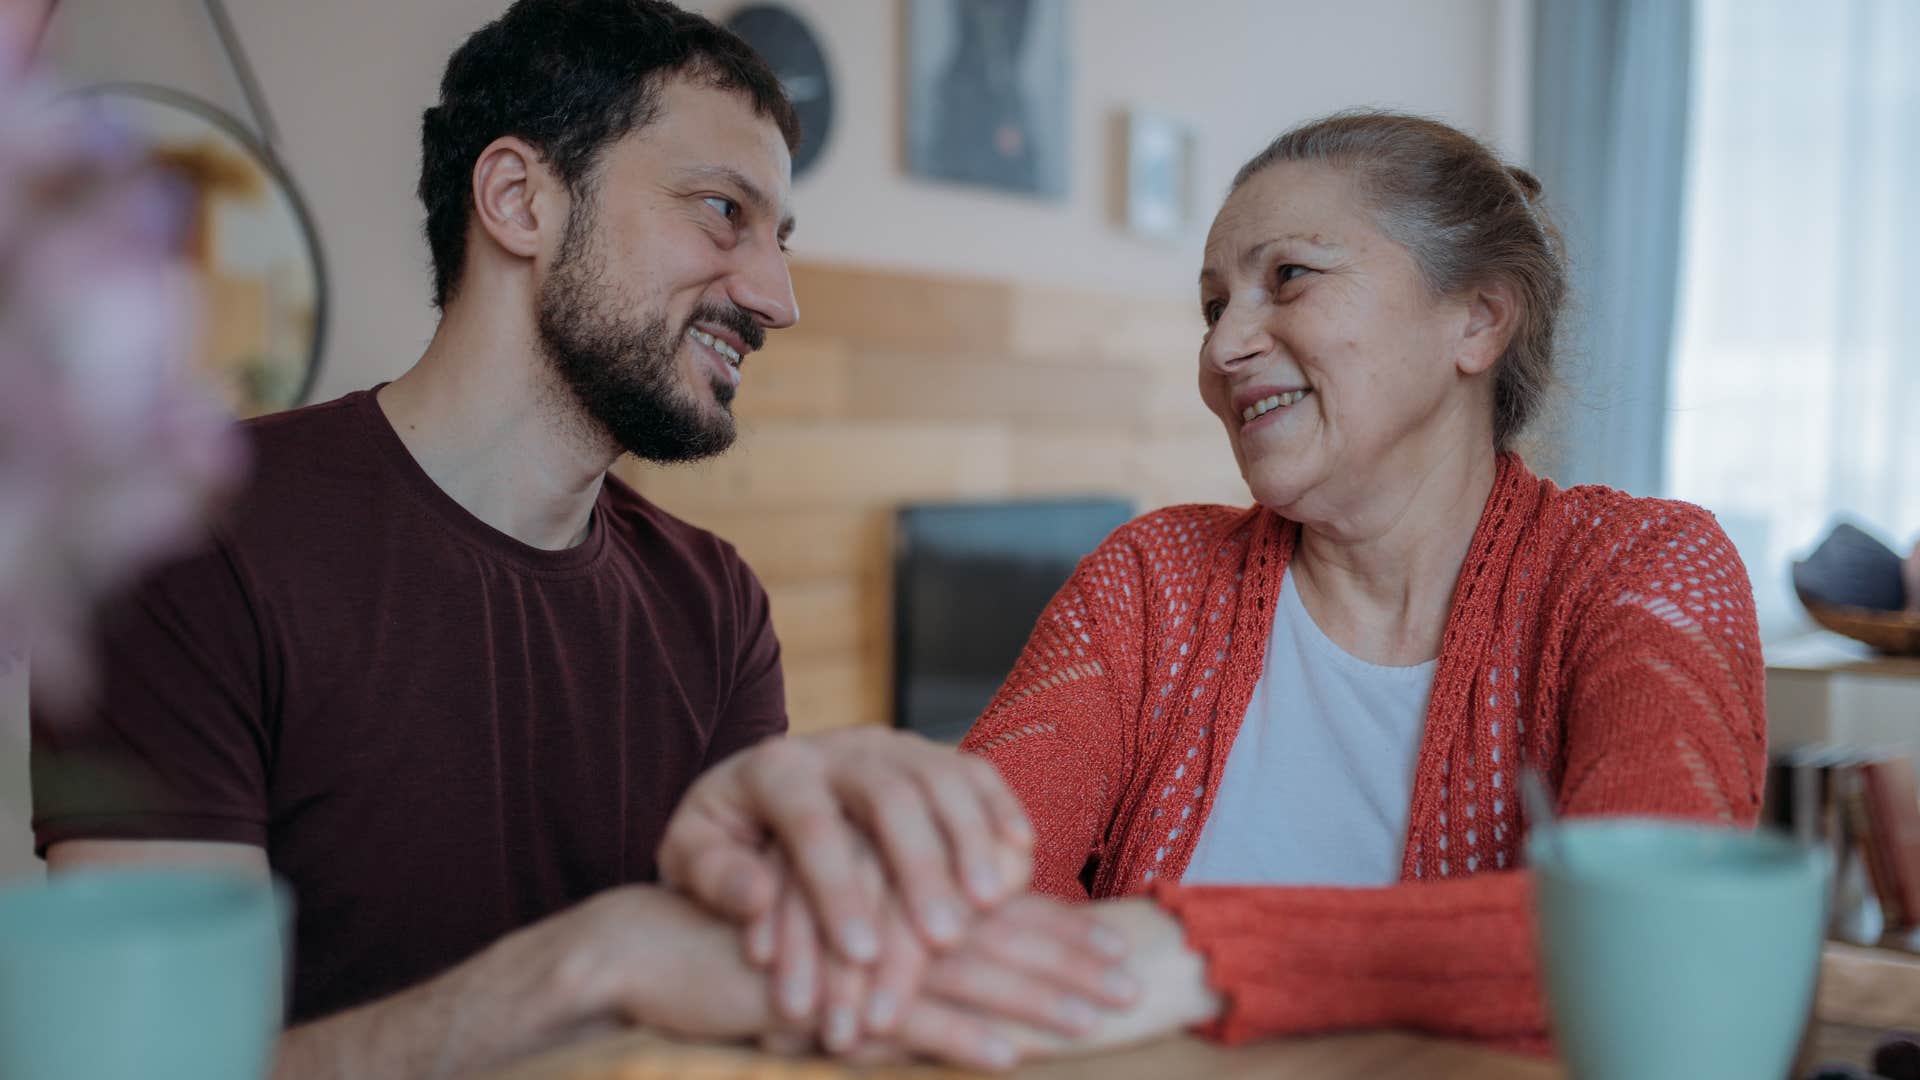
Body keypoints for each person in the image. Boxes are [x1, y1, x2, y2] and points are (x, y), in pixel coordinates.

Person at [30, 2, 1124, 1075]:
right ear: (517, 199)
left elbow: (737, 1003)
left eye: (777, 238)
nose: (778, 298)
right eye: (721, 211)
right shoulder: (182, 537)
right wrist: (586, 966)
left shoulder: (716, 604)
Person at [931, 110, 1768, 1059]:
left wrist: (1196, 953)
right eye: (1213, 308)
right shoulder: (1150, 581)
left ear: (1479, 318)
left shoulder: (1643, 568)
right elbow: (962, 891)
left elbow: (1649, 940)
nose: (1222, 349)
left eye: (1288, 278)